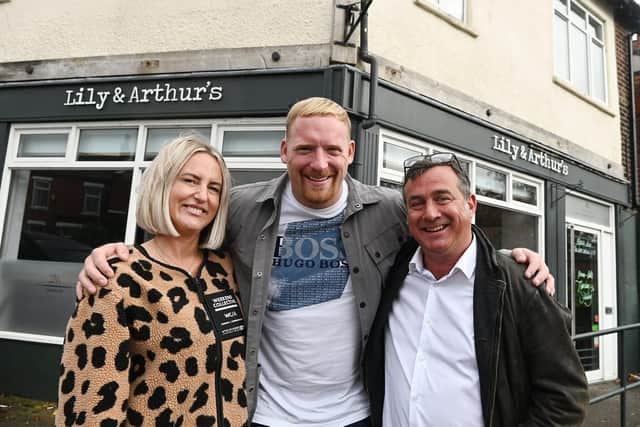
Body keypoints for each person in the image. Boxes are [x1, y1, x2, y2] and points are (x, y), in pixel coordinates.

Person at [75, 97, 554, 426]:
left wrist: (508, 258)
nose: (318, 162)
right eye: (305, 148)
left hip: (355, 413)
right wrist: (116, 252)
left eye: (331, 149)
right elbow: (182, 232)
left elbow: (441, 233)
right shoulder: (242, 207)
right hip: (263, 413)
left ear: (350, 152)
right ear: (285, 151)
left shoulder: (387, 211)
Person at [364, 153, 588, 426]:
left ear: (471, 205)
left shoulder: (520, 284)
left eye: (442, 198)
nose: (431, 213)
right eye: (417, 203)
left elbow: (565, 398)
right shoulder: (391, 270)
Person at [57, 136, 247, 426]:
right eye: (190, 180)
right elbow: (89, 407)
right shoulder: (116, 278)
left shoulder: (225, 269)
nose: (202, 195)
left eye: (214, 188)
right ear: (162, 185)